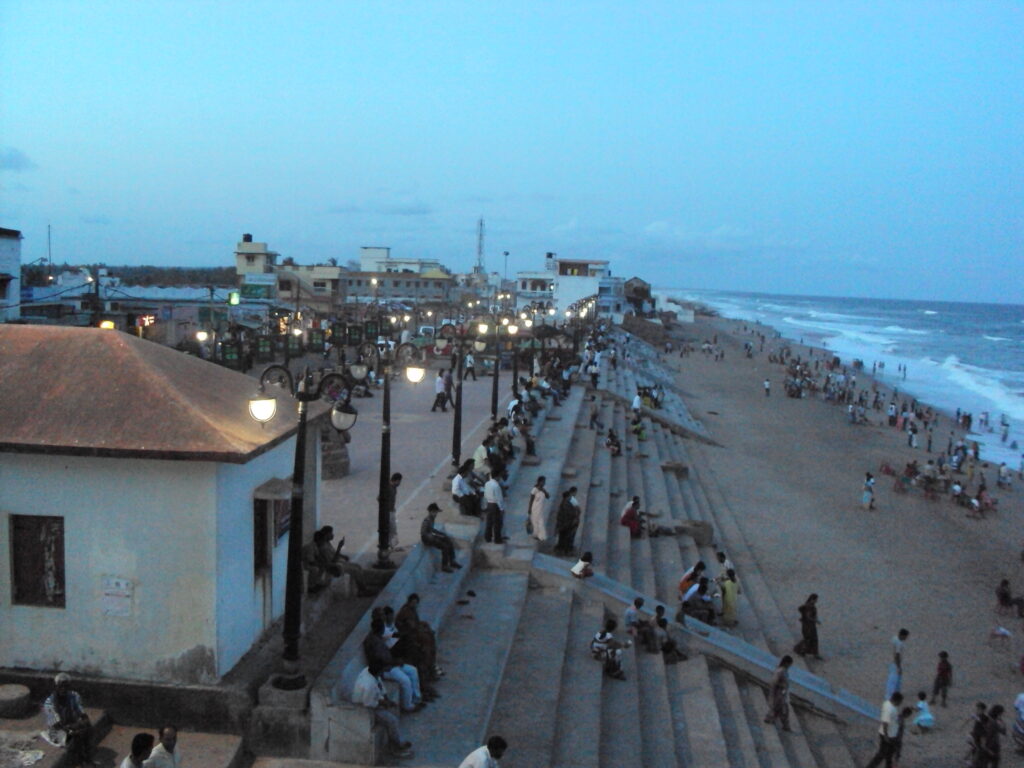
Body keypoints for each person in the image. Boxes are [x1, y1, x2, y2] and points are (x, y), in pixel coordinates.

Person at [351, 661, 414, 759]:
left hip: (373, 699)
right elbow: (369, 703)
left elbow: (380, 685)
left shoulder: (371, 673)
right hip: (365, 709)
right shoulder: (368, 685)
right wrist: (383, 704)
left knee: (392, 712)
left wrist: (387, 699)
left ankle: (397, 740)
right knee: (391, 720)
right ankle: (395, 747)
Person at [363, 617, 424, 713]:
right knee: (405, 680)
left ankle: (416, 699)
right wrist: (395, 661)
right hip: (384, 669)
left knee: (412, 670)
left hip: (391, 664)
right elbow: (381, 659)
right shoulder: (374, 642)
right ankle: (407, 706)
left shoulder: (377, 637)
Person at [302, 526, 374, 596]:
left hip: (337, 562)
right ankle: (362, 590)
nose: (333, 535)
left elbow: (333, 553)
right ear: (326, 535)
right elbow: (332, 560)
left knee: (357, 566)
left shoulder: (327, 543)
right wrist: (339, 547)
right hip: (335, 565)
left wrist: (342, 556)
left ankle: (363, 587)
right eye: (331, 533)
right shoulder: (322, 547)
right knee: (355, 570)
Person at [44, 673, 94, 767]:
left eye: (66, 686)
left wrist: (85, 720)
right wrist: (73, 728)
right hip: (58, 731)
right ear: (56, 687)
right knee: (77, 735)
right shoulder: (49, 703)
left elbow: (81, 712)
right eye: (60, 687)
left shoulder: (74, 696)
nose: (63, 689)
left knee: (88, 729)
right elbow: (56, 725)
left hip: (71, 725)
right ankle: (82, 761)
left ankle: (87, 757)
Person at [865, 692, 903, 768]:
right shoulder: (890, 709)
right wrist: (886, 736)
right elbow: (885, 722)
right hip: (888, 735)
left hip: (891, 734)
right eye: (900, 702)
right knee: (882, 753)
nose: (900, 704)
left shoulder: (888, 704)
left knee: (889, 753)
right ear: (897, 700)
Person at [420, 503, 462, 572]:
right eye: (435, 512)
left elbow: (432, 529)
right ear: (431, 512)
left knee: (448, 540)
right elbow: (424, 533)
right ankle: (444, 566)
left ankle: (452, 561)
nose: (436, 514)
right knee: (444, 546)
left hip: (432, 537)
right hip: (427, 539)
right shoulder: (427, 520)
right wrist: (436, 536)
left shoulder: (432, 519)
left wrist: (441, 534)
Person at [763, 656, 793, 732]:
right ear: (786, 663)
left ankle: (770, 718)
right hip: (778, 694)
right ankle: (785, 726)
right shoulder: (780, 671)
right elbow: (774, 683)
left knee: (779, 709)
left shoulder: (784, 671)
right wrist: (781, 687)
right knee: (783, 710)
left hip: (782, 693)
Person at [794, 593, 822, 659]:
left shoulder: (808, 606)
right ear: (812, 599)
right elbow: (808, 616)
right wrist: (815, 620)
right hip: (809, 626)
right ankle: (810, 653)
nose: (816, 601)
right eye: (815, 600)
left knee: (808, 639)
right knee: (811, 639)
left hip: (807, 625)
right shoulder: (810, 607)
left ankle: (804, 651)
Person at [554, 487, 581, 555]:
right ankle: (565, 550)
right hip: (567, 523)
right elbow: (570, 513)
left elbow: (577, 510)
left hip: (567, 523)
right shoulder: (568, 502)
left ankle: (563, 549)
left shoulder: (569, 501)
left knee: (564, 536)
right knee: (567, 537)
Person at [380, 473, 403, 551]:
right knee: (391, 529)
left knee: (392, 529)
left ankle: (392, 545)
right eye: (399, 481)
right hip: (388, 512)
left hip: (391, 511)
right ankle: (391, 546)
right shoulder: (388, 488)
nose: (400, 483)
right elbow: (379, 498)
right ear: (396, 480)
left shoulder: (394, 488)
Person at [483, 471, 507, 544]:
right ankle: (497, 539)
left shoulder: (487, 483)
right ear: (497, 476)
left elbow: (485, 494)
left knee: (489, 522)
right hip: (495, 505)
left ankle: (488, 537)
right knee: (497, 523)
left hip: (489, 504)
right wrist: (502, 508)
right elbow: (499, 498)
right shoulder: (496, 485)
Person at [886, 629, 909, 699]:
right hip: (895, 663)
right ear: (902, 635)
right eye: (905, 636)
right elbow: (897, 655)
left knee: (894, 679)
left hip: (891, 661)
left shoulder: (894, 638)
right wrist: (899, 667)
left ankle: (894, 694)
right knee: (894, 680)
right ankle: (891, 695)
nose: (906, 638)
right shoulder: (899, 643)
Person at [526, 476, 550, 541]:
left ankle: (540, 536)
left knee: (540, 521)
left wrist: (543, 490)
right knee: (535, 521)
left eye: (544, 482)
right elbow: (531, 500)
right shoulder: (534, 489)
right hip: (535, 508)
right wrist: (529, 509)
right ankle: (536, 535)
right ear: (539, 482)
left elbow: (548, 496)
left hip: (540, 508)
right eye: (543, 482)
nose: (544, 483)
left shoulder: (543, 489)